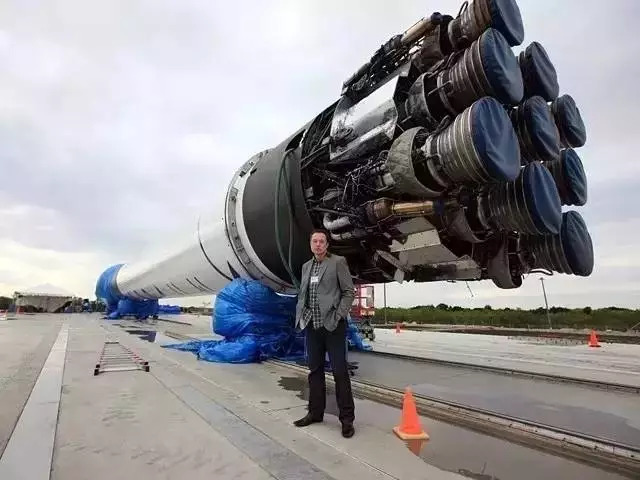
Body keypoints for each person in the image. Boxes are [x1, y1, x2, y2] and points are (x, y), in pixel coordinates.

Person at [293, 228, 356, 438]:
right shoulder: (306, 267)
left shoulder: (337, 262)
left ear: (327, 245)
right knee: (315, 371)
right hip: (313, 326)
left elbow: (349, 291)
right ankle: (315, 413)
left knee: (340, 372)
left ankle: (347, 420)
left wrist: (339, 315)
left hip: (333, 326)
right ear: (310, 244)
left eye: (322, 241)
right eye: (315, 241)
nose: (318, 244)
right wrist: (301, 315)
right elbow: (304, 294)